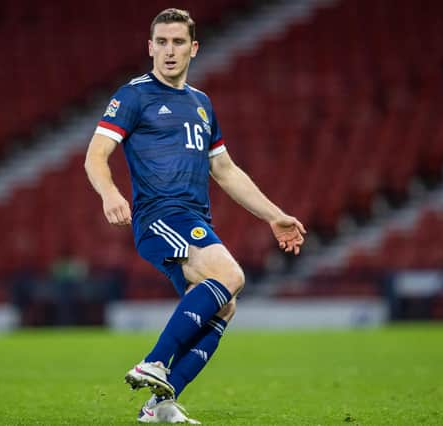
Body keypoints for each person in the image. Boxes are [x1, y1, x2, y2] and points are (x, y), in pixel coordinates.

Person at [84, 8, 306, 424]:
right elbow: (96, 154)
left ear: (194, 49)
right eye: (162, 43)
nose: (169, 51)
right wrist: (109, 192)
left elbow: (224, 170)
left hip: (190, 215)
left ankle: (159, 407)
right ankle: (154, 362)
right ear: (150, 48)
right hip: (159, 216)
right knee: (231, 275)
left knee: (225, 307)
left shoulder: (202, 104)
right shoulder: (133, 95)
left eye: (178, 42)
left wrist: (275, 216)